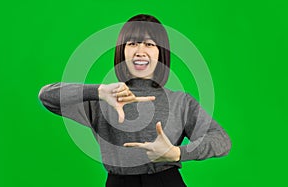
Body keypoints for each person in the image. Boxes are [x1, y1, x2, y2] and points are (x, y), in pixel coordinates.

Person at [39, 14, 231, 187]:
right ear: (122, 51)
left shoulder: (180, 101)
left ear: (160, 53)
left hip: (165, 181)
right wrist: (99, 91)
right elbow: (47, 96)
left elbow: (221, 140)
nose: (140, 51)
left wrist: (177, 153)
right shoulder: (102, 98)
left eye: (149, 44)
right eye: (132, 43)